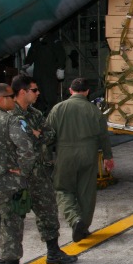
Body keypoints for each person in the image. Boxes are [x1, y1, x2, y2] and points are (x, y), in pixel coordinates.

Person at [10, 75, 77, 264]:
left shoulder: (35, 114)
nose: (38, 93)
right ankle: (4, 262)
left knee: (47, 211)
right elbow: (17, 143)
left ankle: (53, 252)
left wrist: (34, 135)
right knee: (12, 219)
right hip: (18, 175)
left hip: (39, 173)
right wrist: (34, 135)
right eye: (34, 90)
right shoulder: (9, 116)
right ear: (22, 92)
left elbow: (49, 134)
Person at [0, 83, 39, 264]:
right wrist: (23, 170)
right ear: (0, 100)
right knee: (11, 226)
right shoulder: (10, 120)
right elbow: (26, 149)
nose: (12, 99)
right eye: (9, 96)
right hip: (8, 184)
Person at [45, 78, 114, 243]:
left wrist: (47, 159)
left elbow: (47, 136)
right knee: (87, 192)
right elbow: (103, 136)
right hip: (88, 154)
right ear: (87, 91)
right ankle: (84, 227)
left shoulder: (57, 109)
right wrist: (107, 157)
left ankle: (74, 219)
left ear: (70, 90)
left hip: (65, 153)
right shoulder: (94, 110)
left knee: (62, 188)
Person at [24, 33, 66, 115]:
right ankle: (38, 115)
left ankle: (50, 115)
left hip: (50, 74)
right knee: (38, 97)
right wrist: (27, 63)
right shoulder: (36, 42)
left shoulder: (53, 40)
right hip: (38, 74)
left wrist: (61, 68)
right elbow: (31, 53)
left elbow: (61, 55)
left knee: (50, 97)